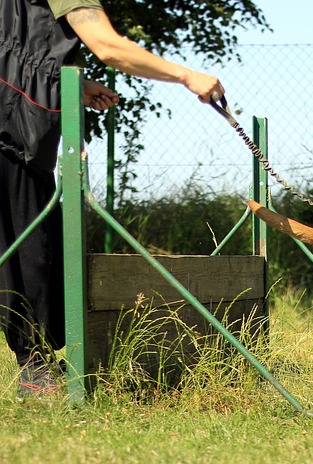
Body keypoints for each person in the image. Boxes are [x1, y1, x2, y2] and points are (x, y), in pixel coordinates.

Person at [0, 0, 225, 397]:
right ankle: (35, 370)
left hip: (16, 124)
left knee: (30, 252)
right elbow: (108, 47)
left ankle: (36, 366)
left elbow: (19, 48)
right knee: (32, 255)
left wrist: (68, 84)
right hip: (12, 135)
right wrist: (187, 76)